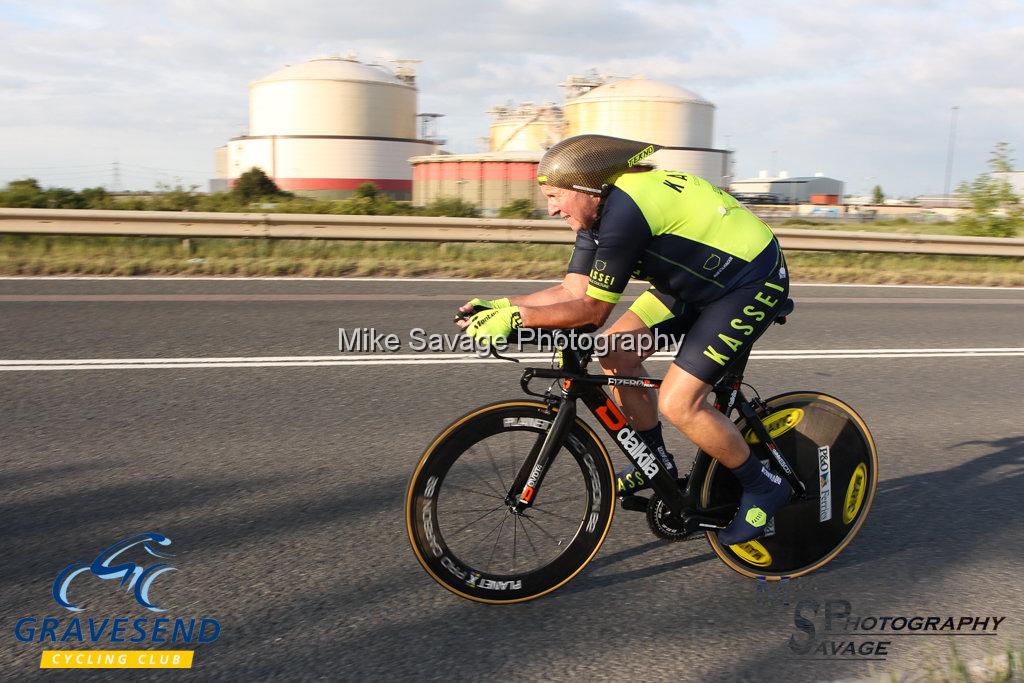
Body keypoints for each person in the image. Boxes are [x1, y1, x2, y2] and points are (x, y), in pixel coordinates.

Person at [457, 134, 791, 546]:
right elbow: (571, 293)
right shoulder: (597, 213)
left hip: (747, 285)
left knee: (678, 402)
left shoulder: (625, 212)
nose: (551, 208)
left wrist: (519, 318)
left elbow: (593, 311)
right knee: (616, 352)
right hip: (692, 284)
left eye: (555, 195)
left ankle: (764, 486)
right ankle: (656, 460)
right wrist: (503, 303)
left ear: (585, 187)